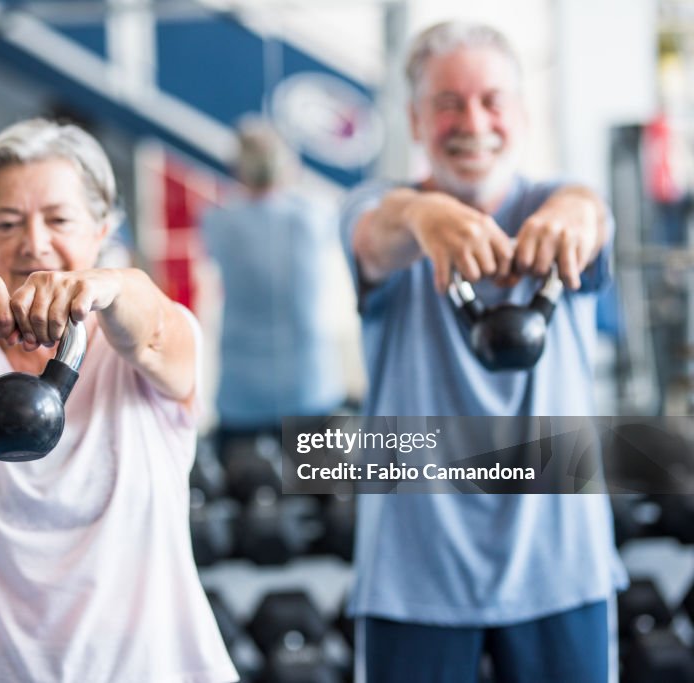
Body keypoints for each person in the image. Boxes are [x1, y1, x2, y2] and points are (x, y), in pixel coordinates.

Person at [0, 118, 238, 683]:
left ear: (102, 229)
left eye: (59, 218)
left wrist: (110, 286)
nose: (35, 242)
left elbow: (150, 328)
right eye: (6, 222)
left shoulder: (150, 347)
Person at [340, 21, 628, 682]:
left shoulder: (557, 209)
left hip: (560, 567)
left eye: (492, 99)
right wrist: (422, 216)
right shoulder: (376, 209)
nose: (473, 121)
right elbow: (375, 233)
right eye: (447, 104)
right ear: (415, 120)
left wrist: (578, 207)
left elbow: (591, 213)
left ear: (521, 114)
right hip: (416, 571)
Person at [200, 118, 346, 452]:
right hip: (310, 387)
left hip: (242, 392)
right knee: (317, 498)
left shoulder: (217, 221)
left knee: (244, 499)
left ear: (239, 168)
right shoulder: (317, 216)